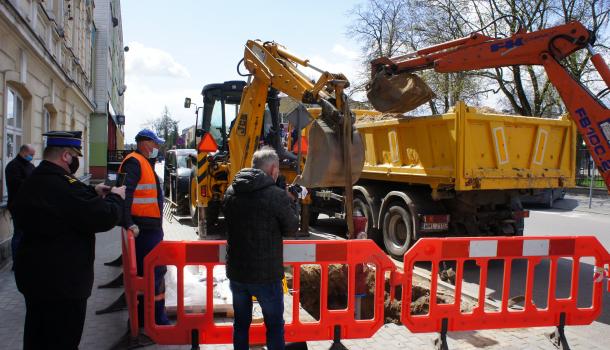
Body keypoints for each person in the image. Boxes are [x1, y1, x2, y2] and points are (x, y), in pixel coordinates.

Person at [14, 131, 125, 350]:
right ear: (66, 156)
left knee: (38, 337)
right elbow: (103, 216)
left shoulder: (36, 178)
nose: (76, 161)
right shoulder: (62, 186)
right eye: (75, 155)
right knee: (63, 340)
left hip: (35, 280)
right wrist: (116, 196)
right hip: (62, 285)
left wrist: (92, 190)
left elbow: (66, 204)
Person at [223, 146, 299, 350]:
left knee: (240, 324)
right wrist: (292, 202)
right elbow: (292, 228)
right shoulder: (276, 195)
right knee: (274, 326)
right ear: (274, 169)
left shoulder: (231, 191)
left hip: (237, 274)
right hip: (266, 276)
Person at [119, 128, 170, 326]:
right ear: (143, 142)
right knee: (153, 274)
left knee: (152, 273)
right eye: (154, 143)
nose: (156, 147)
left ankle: (146, 317)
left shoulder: (143, 162)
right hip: (144, 230)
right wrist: (129, 222)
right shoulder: (134, 162)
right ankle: (154, 318)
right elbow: (125, 193)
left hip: (149, 229)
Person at [5, 144, 35, 270]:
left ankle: (26, 260)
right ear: (24, 153)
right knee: (19, 234)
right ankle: (16, 263)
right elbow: (16, 184)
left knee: (29, 234)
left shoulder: (30, 166)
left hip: (30, 205)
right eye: (31, 155)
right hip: (18, 205)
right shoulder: (13, 166)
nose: (32, 157)